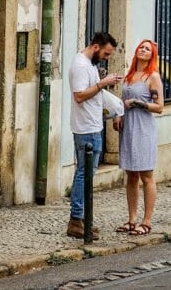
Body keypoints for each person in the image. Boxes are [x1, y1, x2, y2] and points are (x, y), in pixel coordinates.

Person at [68, 32, 121, 240]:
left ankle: (82, 220)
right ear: (96, 47)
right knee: (84, 174)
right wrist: (101, 83)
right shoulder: (81, 65)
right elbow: (79, 96)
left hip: (92, 125)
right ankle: (76, 220)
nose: (107, 57)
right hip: (86, 128)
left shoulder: (89, 64)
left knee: (86, 174)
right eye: (106, 53)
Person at [114, 39, 164, 236]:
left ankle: (147, 220)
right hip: (128, 127)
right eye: (141, 47)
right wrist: (118, 115)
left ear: (152, 55)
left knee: (146, 175)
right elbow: (122, 101)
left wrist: (138, 103)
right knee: (131, 175)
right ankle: (132, 219)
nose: (143, 50)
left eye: (147, 49)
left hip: (143, 128)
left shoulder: (152, 77)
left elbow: (159, 107)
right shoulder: (130, 76)